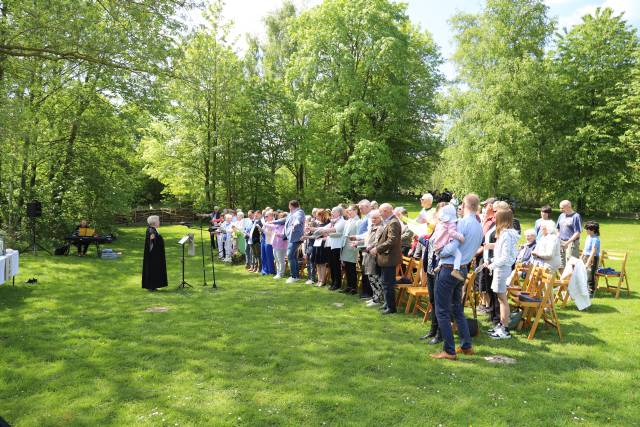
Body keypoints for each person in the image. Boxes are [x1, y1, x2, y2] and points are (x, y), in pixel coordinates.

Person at [430, 193, 483, 361]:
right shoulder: (478, 225)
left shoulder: (463, 224)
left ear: (463, 206)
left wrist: (438, 250)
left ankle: (449, 350)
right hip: (462, 268)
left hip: (449, 268)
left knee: (442, 310)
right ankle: (466, 345)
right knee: (457, 308)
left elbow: (451, 247)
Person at [486, 209, 519, 340]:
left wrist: (492, 265)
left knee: (502, 299)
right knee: (500, 298)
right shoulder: (505, 234)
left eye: (496, 218)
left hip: (502, 269)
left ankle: (504, 328)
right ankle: (501, 324)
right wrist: (492, 260)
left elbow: (505, 257)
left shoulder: (506, 235)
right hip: (501, 268)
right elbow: (501, 254)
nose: (495, 220)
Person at [369, 203, 402, 314]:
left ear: (387, 211)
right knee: (385, 282)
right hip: (385, 257)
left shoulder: (394, 222)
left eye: (381, 211)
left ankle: (391, 308)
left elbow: (392, 240)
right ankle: (387, 304)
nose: (379, 213)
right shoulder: (389, 221)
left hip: (389, 258)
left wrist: (378, 249)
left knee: (388, 283)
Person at [272, 200, 306, 283]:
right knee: (292, 256)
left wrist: (295, 224)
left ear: (291, 206)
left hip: (296, 238)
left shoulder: (299, 212)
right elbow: (283, 220)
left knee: (290, 255)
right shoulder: (291, 214)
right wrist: (272, 221)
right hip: (291, 237)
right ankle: (295, 276)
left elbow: (298, 219)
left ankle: (294, 276)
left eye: (289, 206)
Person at [431, 204, 465, 281]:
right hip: (443, 245)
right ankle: (455, 270)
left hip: (438, 246)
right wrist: (461, 237)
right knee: (458, 254)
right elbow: (452, 232)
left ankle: (439, 266)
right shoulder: (451, 223)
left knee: (445, 254)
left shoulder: (442, 223)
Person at [320, 206, 346, 291]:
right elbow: (323, 228)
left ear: (339, 213)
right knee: (331, 264)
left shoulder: (342, 221)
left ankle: (337, 284)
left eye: (334, 212)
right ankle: (333, 282)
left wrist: (327, 233)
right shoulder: (332, 221)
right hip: (330, 245)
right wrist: (313, 229)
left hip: (337, 246)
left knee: (336, 265)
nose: (332, 213)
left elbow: (335, 231)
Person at [142, 215, 168, 292]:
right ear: (154, 223)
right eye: (158, 221)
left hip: (155, 255)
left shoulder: (153, 229)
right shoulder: (151, 230)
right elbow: (152, 240)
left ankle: (154, 285)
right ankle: (151, 286)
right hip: (153, 255)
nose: (159, 222)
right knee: (152, 269)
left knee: (155, 270)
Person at [340, 204, 361, 294]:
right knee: (347, 267)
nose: (348, 212)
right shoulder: (348, 221)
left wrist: (356, 247)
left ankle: (354, 287)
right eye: (347, 210)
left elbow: (358, 235)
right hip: (345, 246)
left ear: (355, 210)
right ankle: (348, 286)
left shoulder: (358, 221)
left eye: (350, 210)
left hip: (352, 247)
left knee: (352, 268)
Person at [557, 200, 582, 269]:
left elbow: (577, 232)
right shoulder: (561, 216)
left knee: (571, 263)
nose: (560, 210)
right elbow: (558, 229)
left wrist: (567, 242)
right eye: (560, 208)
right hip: (561, 241)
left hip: (571, 242)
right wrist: (558, 239)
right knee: (561, 263)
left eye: (562, 208)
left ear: (569, 206)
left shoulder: (576, 216)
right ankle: (562, 279)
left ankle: (571, 279)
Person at [582, 221, 601, 296]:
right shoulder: (588, 237)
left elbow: (593, 252)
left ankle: (591, 292)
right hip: (586, 257)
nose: (586, 230)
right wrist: (581, 258)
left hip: (592, 258)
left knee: (590, 275)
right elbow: (585, 249)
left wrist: (587, 263)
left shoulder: (595, 239)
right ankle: (584, 289)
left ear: (593, 230)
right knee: (583, 274)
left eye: (587, 229)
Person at [267, 212, 288, 279]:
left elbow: (284, 235)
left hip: (281, 245)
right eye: (279, 218)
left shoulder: (285, 226)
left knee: (281, 260)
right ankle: (278, 273)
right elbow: (270, 225)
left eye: (281, 218)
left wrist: (277, 234)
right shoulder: (277, 225)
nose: (279, 219)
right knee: (276, 260)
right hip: (275, 244)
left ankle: (281, 274)